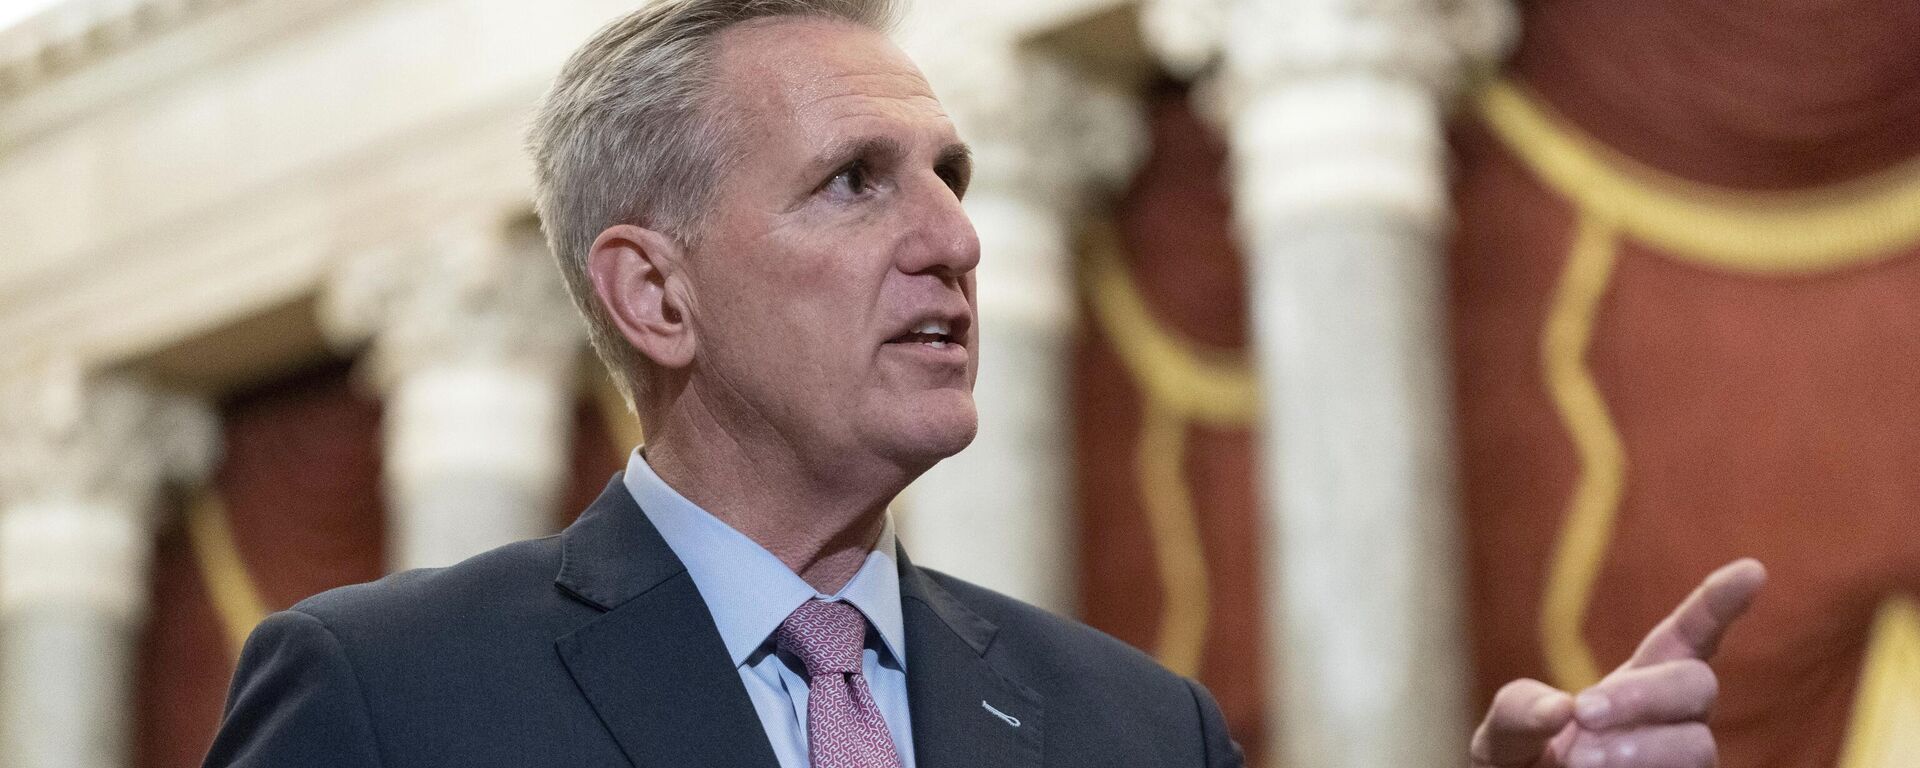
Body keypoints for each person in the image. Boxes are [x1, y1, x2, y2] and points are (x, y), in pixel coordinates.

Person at [202, 1, 1766, 766]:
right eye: (854, 184)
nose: (955, 238)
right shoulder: (390, 699)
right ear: (654, 291)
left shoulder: (1135, 729)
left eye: (951, 175)